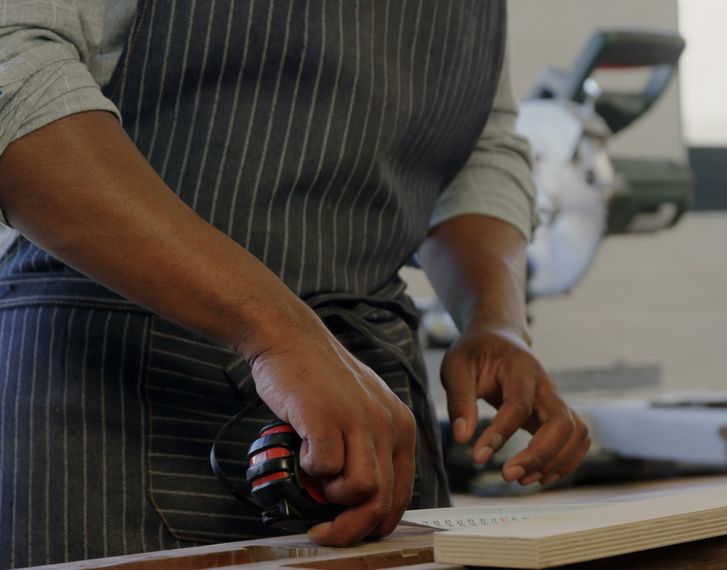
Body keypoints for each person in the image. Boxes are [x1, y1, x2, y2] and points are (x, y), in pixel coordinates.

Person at [0, 1, 590, 566]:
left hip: (374, 406)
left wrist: (495, 319)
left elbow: (481, 149)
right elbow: (14, 67)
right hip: (111, 404)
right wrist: (278, 334)